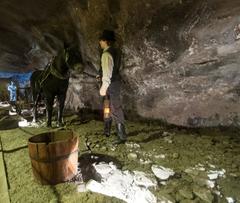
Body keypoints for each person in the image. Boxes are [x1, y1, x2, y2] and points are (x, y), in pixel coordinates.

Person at [97, 29, 127, 144]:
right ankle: (107, 130)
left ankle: (121, 136)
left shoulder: (106, 54)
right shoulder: (116, 51)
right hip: (114, 82)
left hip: (110, 84)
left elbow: (108, 72)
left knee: (114, 107)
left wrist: (103, 86)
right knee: (107, 106)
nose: (100, 42)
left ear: (105, 41)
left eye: (101, 40)